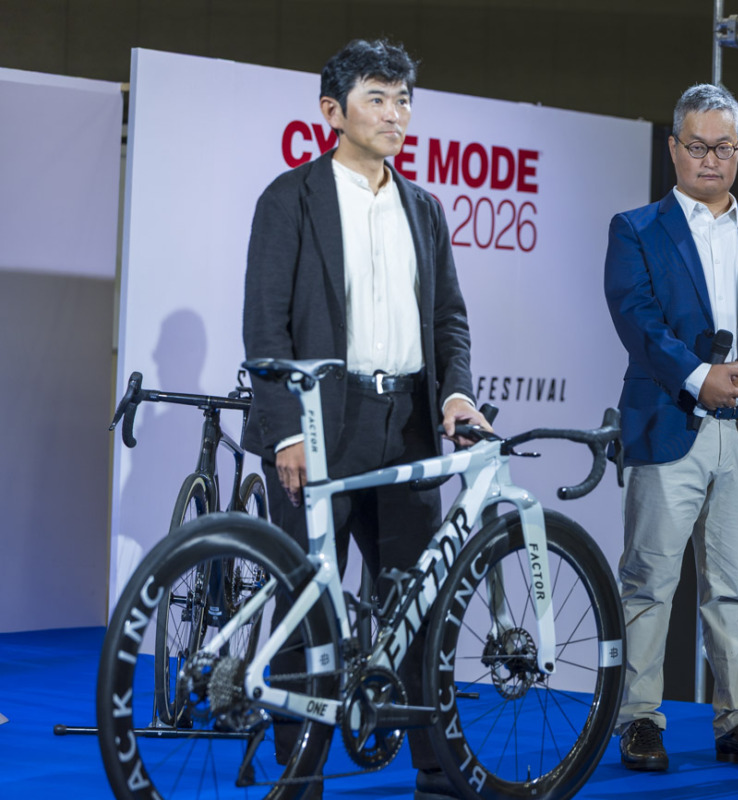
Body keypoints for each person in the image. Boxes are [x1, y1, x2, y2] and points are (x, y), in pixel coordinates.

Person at [243, 38, 490, 800]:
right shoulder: (290, 198)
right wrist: (285, 431)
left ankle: (436, 773)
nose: (395, 114)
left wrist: (456, 394)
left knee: (419, 601)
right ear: (333, 111)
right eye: (377, 99)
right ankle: (300, 776)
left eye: (403, 99)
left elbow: (449, 320)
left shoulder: (425, 207)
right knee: (307, 604)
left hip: (408, 421)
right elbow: (265, 326)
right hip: (320, 424)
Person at [604, 83, 738, 771]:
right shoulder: (636, 228)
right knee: (648, 581)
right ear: (674, 148)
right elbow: (636, 317)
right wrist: (699, 376)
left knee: (734, 583)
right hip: (671, 418)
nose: (711, 159)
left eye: (724, 147)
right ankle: (638, 719)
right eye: (697, 146)